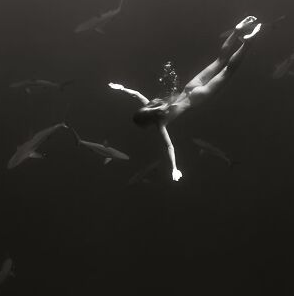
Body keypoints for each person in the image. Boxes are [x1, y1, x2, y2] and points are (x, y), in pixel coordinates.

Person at [109, 16, 261, 181]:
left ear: (148, 123)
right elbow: (136, 94)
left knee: (227, 71)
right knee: (220, 60)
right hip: (189, 87)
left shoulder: (161, 123)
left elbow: (170, 146)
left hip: (196, 98)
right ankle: (236, 31)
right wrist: (121, 88)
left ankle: (247, 43)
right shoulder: (149, 103)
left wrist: (175, 168)